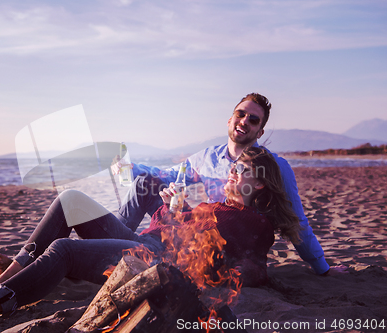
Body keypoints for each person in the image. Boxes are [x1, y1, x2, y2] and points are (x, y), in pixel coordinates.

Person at [0, 147, 295, 321]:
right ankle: (16, 270)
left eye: (242, 171)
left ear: (260, 183)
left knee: (65, 249)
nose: (232, 174)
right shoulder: (224, 206)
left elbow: (230, 260)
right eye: (233, 168)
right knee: (69, 200)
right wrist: (174, 211)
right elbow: (185, 230)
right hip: (149, 242)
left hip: (155, 259)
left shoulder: (252, 221)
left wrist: (174, 215)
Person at [113, 93, 343, 276]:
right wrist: (130, 168)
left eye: (253, 120)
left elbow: (297, 221)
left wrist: (322, 268)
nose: (244, 121)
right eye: (240, 114)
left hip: (228, 250)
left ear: (260, 131)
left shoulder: (274, 166)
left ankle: (116, 251)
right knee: (144, 182)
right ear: (230, 119)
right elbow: (169, 174)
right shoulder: (207, 158)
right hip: (197, 231)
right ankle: (113, 247)